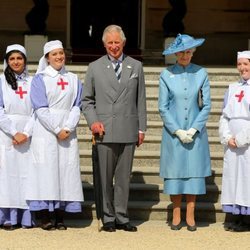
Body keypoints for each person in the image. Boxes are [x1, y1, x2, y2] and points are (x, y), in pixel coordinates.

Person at [82, 24, 147, 232]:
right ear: (104, 44)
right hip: (104, 130)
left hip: (128, 128)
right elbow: (87, 100)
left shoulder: (135, 66)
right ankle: (108, 217)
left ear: (123, 43)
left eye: (116, 42)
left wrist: (142, 128)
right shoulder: (94, 67)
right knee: (104, 178)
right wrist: (93, 121)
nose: (113, 46)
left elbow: (141, 99)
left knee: (122, 178)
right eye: (109, 43)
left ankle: (121, 216)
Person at [26, 40, 84, 230]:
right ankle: (45, 216)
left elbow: (77, 105)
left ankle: (60, 216)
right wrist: (57, 129)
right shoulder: (40, 79)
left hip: (68, 131)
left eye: (61, 53)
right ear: (47, 58)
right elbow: (40, 108)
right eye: (54, 54)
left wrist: (68, 127)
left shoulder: (74, 79)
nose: (59, 57)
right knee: (45, 172)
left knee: (64, 172)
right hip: (46, 130)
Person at [158, 34, 211, 231]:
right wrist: (178, 130)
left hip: (196, 132)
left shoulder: (201, 73)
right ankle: (176, 211)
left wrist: (194, 128)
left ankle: (190, 212)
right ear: (175, 53)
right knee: (176, 172)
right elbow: (162, 107)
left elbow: (206, 105)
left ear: (193, 52)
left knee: (194, 173)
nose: (185, 55)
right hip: (174, 133)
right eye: (181, 52)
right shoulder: (166, 75)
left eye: (189, 52)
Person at [0, 44, 35, 230]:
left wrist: (26, 133)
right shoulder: (0, 81)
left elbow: (37, 110)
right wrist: (14, 132)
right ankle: (8, 217)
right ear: (6, 61)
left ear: (25, 60)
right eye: (11, 58)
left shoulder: (33, 82)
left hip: (28, 134)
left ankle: (26, 217)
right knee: (7, 175)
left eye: (19, 58)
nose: (15, 62)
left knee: (26, 175)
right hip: (7, 134)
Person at [219, 50, 250, 232]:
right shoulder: (232, 88)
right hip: (232, 144)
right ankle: (235, 215)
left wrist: (241, 138)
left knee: (247, 178)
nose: (242, 68)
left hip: (246, 144)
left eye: (246, 64)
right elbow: (224, 115)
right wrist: (227, 136)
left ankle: (247, 219)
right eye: (240, 64)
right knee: (233, 179)